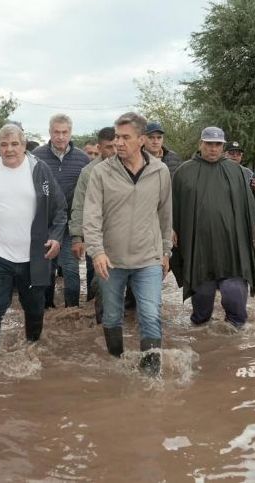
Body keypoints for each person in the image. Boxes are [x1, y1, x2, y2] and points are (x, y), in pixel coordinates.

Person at [0, 124, 66, 357]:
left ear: (24, 144)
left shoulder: (40, 170)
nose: (9, 150)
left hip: (34, 255)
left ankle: (32, 350)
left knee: (34, 306)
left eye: (14, 144)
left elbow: (60, 209)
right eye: (4, 144)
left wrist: (56, 238)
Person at [84, 112, 172, 376]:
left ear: (141, 140)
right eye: (116, 137)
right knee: (111, 317)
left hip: (148, 259)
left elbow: (165, 214)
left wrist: (166, 251)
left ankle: (150, 375)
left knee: (150, 316)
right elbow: (91, 216)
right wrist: (97, 251)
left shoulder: (160, 171)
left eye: (125, 137)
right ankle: (116, 365)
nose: (119, 142)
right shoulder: (101, 172)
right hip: (111, 261)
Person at [172, 127, 255, 329]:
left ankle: (234, 345)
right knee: (201, 305)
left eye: (217, 144)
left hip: (232, 249)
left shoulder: (236, 171)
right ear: (200, 144)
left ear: (223, 146)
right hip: (200, 250)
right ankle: (202, 342)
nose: (213, 149)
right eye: (209, 144)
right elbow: (173, 206)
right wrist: (171, 229)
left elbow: (247, 204)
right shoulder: (184, 172)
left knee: (234, 296)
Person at [32, 114, 90, 308]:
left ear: (70, 133)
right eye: (56, 132)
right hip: (44, 224)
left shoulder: (83, 159)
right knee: (46, 269)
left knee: (71, 269)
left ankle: (71, 312)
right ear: (50, 133)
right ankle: (47, 309)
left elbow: (89, 194)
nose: (60, 137)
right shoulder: (36, 157)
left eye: (64, 132)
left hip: (70, 225)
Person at [69, 127, 116, 315]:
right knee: (98, 278)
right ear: (100, 147)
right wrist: (77, 237)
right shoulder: (88, 172)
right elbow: (79, 205)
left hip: (125, 236)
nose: (113, 151)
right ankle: (98, 318)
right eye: (108, 147)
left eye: (115, 146)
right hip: (96, 236)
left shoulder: (130, 167)